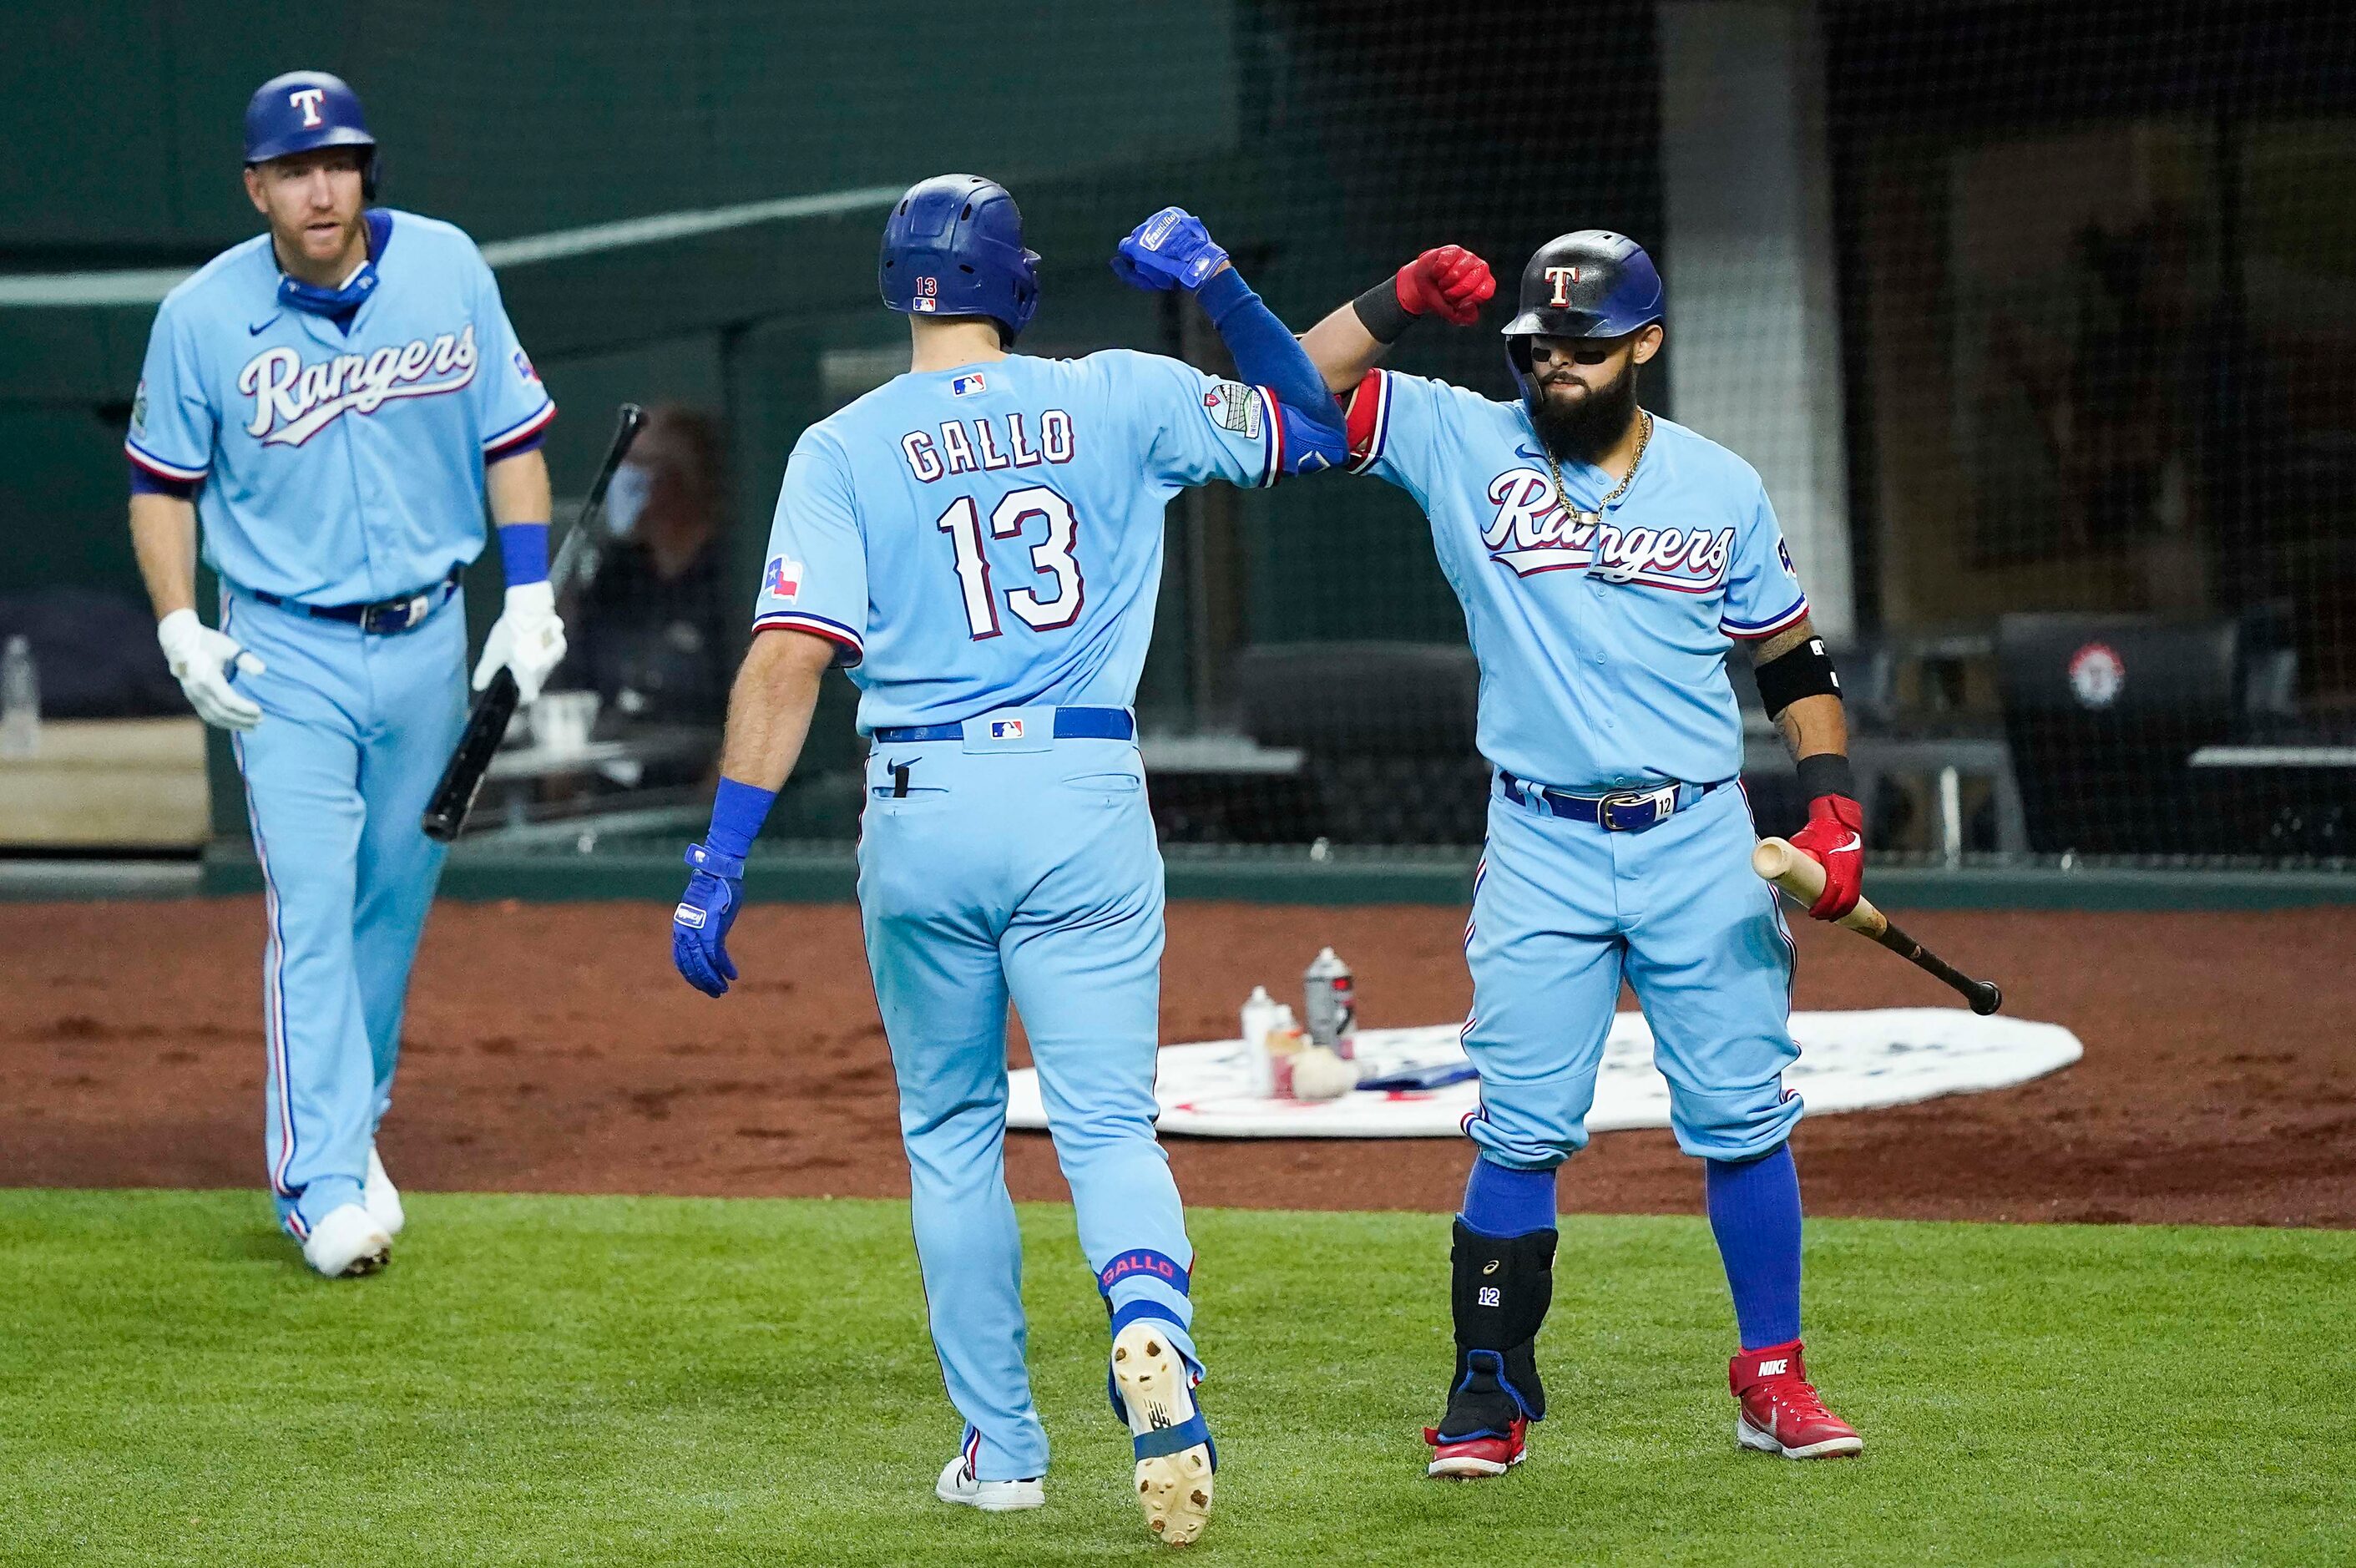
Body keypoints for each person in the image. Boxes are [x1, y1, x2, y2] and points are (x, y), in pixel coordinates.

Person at [666, 177, 1342, 1544]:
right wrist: (1215, 283)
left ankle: (1003, 1444)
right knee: (1104, 1122)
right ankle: (1150, 1319)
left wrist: (719, 857)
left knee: (953, 1133)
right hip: (1080, 788)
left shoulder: (840, 446)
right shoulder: (1118, 392)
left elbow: (789, 658)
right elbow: (1311, 424)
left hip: (922, 797)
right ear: (1012, 283)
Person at [1297, 232, 1869, 1475]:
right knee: (1520, 1125)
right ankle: (1487, 1385)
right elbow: (1297, 382)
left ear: (1644, 346)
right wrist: (1391, 301)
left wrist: (1831, 807)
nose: (1555, 367)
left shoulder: (1718, 483)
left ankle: (1769, 1375)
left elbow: (1790, 658)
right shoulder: (1456, 437)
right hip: (1541, 838)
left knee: (1740, 1117)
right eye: (1536, 347)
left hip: (1698, 835)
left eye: (1584, 349)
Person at [124, 71, 564, 1279]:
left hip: (430, 636)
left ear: (366, 171)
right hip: (286, 648)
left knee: (390, 903)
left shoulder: (446, 267)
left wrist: (527, 593)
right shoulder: (204, 316)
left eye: (342, 163)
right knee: (313, 905)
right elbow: (161, 485)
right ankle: (314, 1180)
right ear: (256, 186)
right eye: (297, 170)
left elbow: (512, 439)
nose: (324, 189)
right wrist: (179, 625)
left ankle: (347, 1125)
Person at [554, 405, 736, 746]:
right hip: (610, 782)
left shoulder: (729, 575)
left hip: (690, 781)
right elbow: (576, 680)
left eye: (639, 464)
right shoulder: (618, 573)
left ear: (681, 478)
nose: (623, 477)